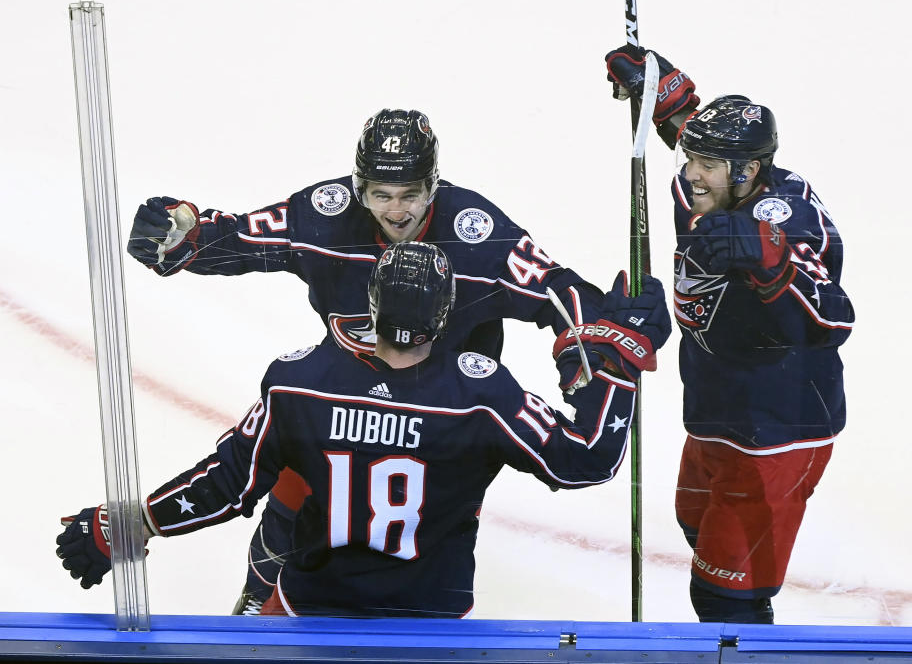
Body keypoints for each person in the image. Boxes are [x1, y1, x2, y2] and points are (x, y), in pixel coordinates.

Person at [125, 109, 614, 613]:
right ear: (359, 188)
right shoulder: (325, 214)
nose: (397, 210)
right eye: (381, 194)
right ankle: (261, 594)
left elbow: (561, 293)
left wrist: (590, 345)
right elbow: (238, 239)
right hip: (344, 400)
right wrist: (184, 237)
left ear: (433, 184)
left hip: (442, 425)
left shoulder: (478, 235)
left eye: (410, 194)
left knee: (421, 549)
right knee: (288, 508)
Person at [56, 242, 671, 618]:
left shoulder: (302, 379)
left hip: (311, 607)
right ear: (445, 314)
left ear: (371, 307)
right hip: (433, 618)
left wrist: (132, 523)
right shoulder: (482, 392)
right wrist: (615, 366)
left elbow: (226, 483)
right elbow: (586, 459)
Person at [605, 47, 855, 624]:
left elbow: (835, 318)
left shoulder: (787, 218)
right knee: (694, 523)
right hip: (718, 410)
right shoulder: (708, 182)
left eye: (707, 164)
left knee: (724, 602)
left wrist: (772, 263)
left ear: (748, 173)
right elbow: (692, 132)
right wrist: (659, 96)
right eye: (690, 157)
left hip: (776, 433)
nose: (691, 172)